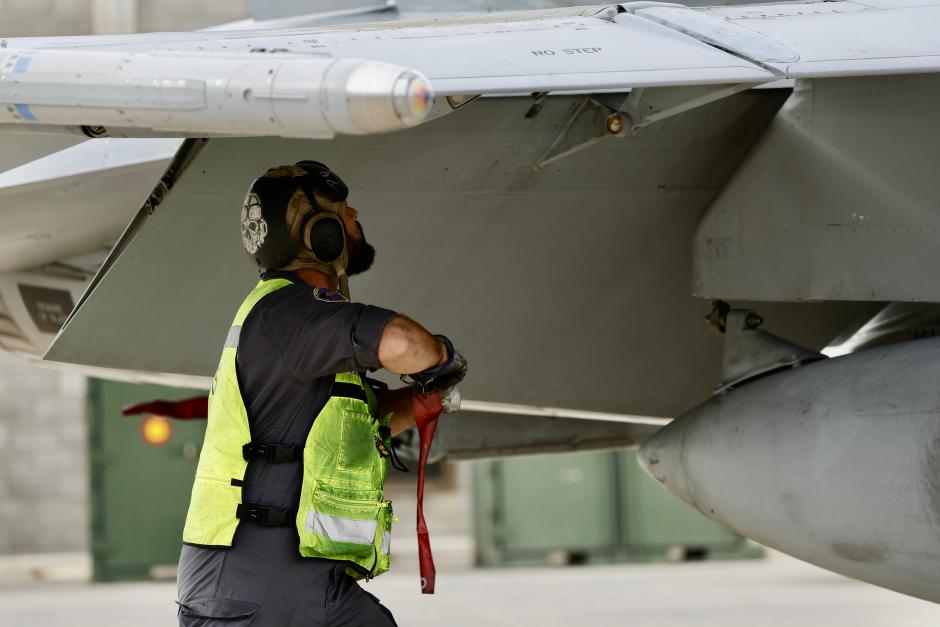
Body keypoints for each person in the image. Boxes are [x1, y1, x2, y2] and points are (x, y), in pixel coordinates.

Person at [175, 161, 467, 626]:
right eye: (344, 212)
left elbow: (362, 423)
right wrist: (443, 357)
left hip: (313, 584)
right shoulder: (288, 313)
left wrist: (429, 399)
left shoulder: (308, 334)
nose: (355, 217)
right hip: (243, 585)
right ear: (319, 233)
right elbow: (402, 343)